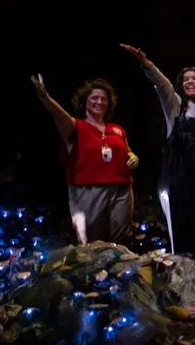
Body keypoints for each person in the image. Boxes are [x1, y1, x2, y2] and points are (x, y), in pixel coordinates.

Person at [121, 43, 195, 269]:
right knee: (182, 229)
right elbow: (162, 85)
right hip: (180, 181)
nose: (189, 82)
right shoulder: (176, 107)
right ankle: (185, 277)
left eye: (194, 78)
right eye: (185, 79)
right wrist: (145, 62)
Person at [31, 75, 138, 243]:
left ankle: (118, 268)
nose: (100, 101)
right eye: (94, 97)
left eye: (104, 98)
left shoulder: (117, 129)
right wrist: (46, 99)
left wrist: (133, 156)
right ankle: (95, 269)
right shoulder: (76, 127)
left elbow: (127, 151)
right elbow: (59, 114)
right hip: (88, 191)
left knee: (121, 239)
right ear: (84, 101)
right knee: (92, 241)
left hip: (122, 190)